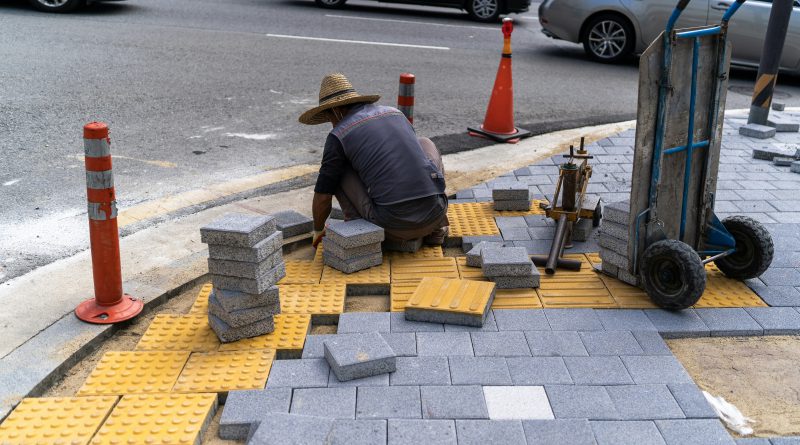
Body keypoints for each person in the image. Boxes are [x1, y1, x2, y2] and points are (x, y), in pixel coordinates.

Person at [299, 73, 449, 248]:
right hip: (436, 214)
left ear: (336, 110)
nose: (331, 123)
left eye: (329, 117)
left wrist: (318, 230)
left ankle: (361, 234)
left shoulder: (339, 135)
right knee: (424, 143)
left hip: (393, 226)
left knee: (337, 171)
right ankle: (436, 232)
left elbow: (323, 196)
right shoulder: (396, 113)